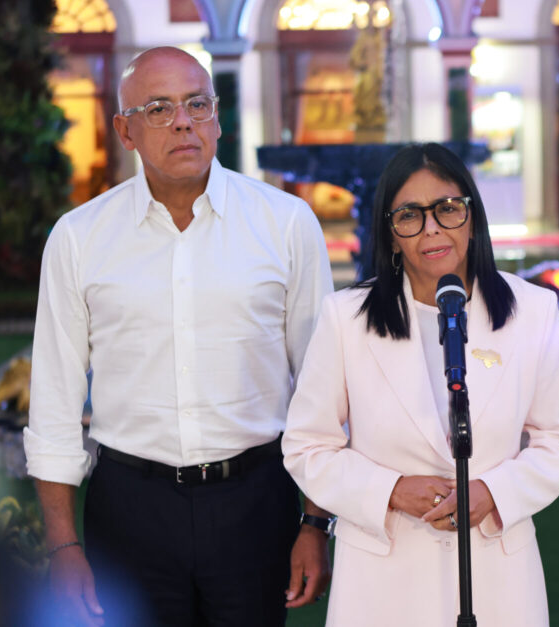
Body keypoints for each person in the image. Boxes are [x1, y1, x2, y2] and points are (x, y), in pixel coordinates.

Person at [24, 46, 334, 626]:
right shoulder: (79, 237)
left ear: (217, 118)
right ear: (126, 131)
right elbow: (54, 403)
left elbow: (322, 387)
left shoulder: (286, 223)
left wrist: (315, 523)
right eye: (159, 108)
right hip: (129, 508)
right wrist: (62, 545)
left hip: (255, 501)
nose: (184, 122)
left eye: (197, 104)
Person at [282, 142, 559, 626]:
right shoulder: (346, 318)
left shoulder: (533, 310)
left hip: (497, 576)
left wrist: (493, 492)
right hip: (381, 583)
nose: (431, 229)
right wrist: (391, 490)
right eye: (410, 216)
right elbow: (307, 446)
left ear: (471, 216)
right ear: (390, 233)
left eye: (447, 208)